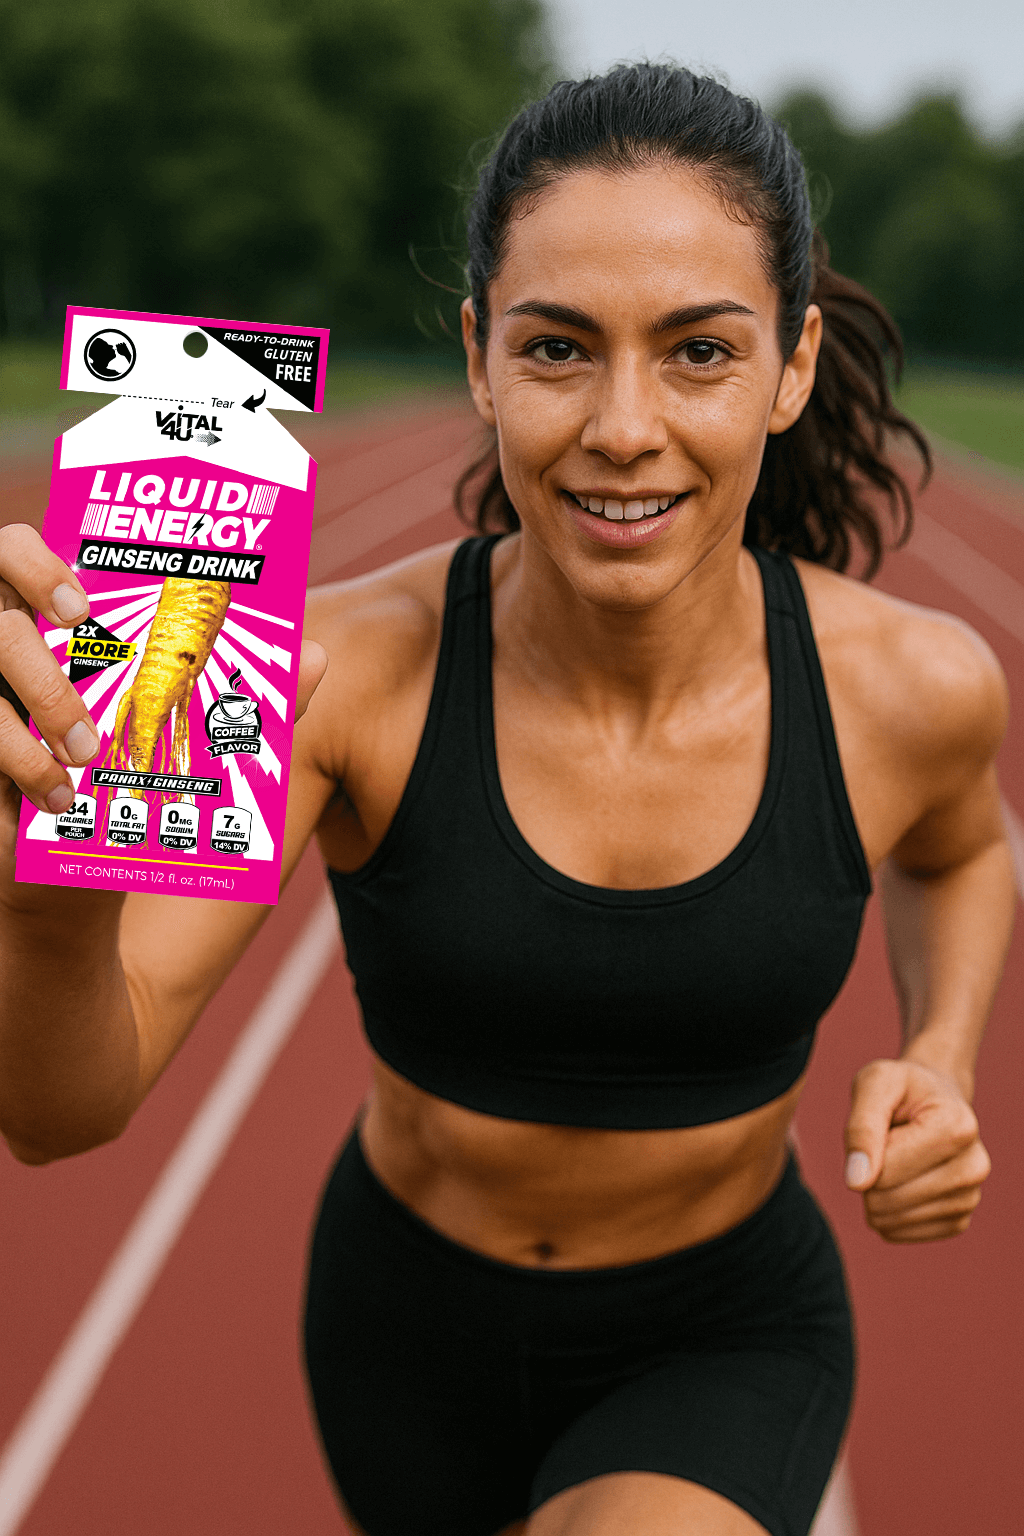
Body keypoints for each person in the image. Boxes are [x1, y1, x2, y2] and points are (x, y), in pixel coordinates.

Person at [0, 62, 1014, 1536]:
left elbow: (964, 847)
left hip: (722, 1332)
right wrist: (45, 895)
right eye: (557, 349)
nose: (620, 425)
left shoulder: (911, 686)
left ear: (791, 366)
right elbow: (59, 1113)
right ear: (479, 357)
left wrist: (943, 1051)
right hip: (402, 1335)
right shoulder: (323, 674)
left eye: (698, 355)